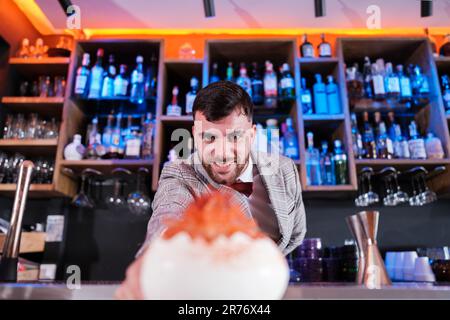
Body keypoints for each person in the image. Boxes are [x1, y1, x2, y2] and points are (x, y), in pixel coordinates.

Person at [115, 81, 306, 299]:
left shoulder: (284, 170)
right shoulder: (178, 173)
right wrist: (149, 266)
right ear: (195, 135)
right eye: (209, 137)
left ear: (252, 135)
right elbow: (166, 220)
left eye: (235, 137)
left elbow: (295, 235)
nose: (222, 153)